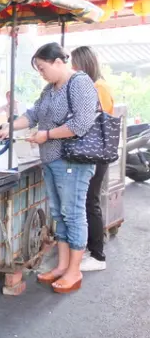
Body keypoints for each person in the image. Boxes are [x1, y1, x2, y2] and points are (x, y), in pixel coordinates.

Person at [0, 43, 98, 294]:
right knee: (59, 214)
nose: (41, 74)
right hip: (52, 160)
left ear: (58, 62)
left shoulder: (80, 83)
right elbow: (33, 114)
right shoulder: (50, 89)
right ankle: (62, 266)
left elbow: (81, 123)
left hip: (73, 161)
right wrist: (9, 127)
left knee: (73, 214)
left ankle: (74, 271)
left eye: (43, 68)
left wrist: (47, 135)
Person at [71, 45, 115, 272]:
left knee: (91, 201)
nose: (72, 69)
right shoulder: (95, 86)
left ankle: (98, 256)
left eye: (75, 65)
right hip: (95, 152)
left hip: (96, 153)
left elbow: (95, 121)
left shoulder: (99, 87)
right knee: (88, 201)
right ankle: (91, 249)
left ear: (83, 65)